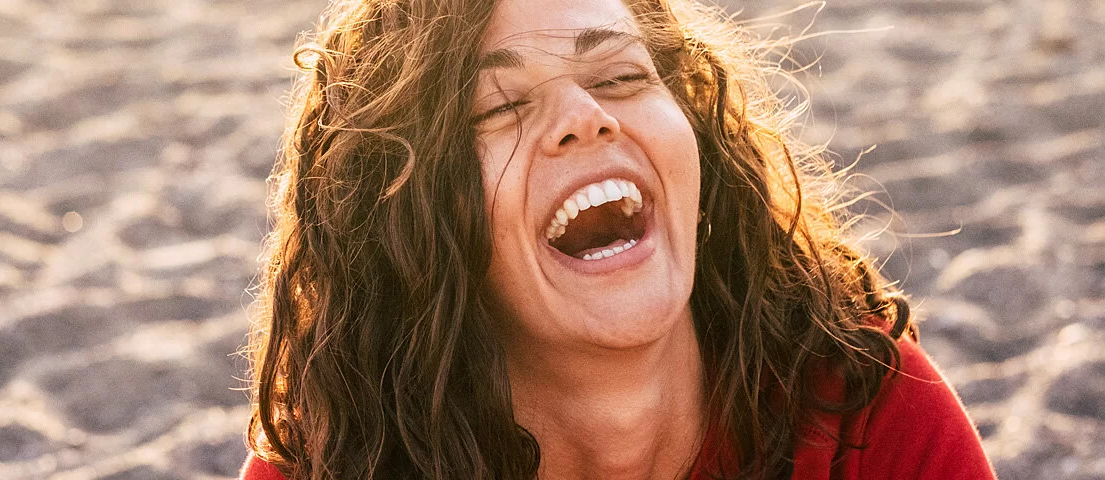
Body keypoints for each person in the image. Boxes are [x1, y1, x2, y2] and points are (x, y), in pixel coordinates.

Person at [240, 0, 997, 478]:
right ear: (409, 226)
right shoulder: (342, 463)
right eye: (497, 107)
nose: (585, 114)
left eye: (621, 78)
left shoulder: (865, 412)